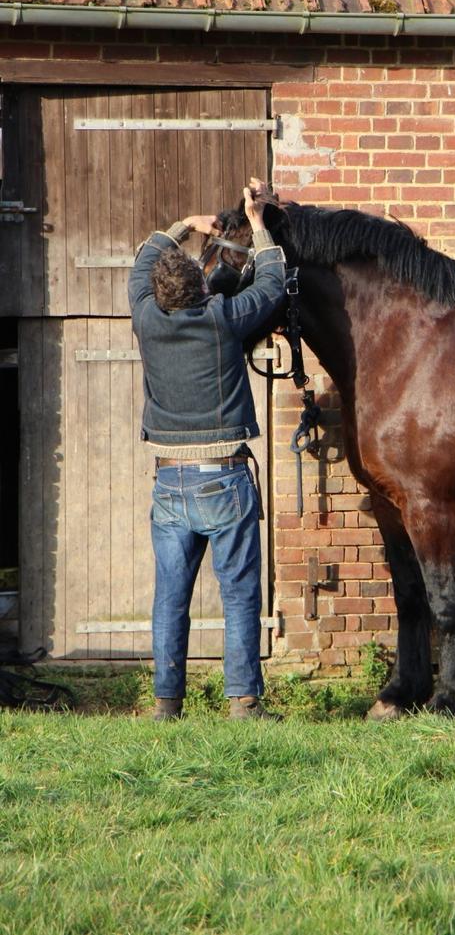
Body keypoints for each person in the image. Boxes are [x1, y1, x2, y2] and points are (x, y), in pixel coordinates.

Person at [128, 179, 286, 721]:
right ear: (199, 286)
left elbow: (141, 264)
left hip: (170, 481)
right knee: (240, 595)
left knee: (170, 597)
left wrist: (181, 228)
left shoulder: (146, 319)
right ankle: (243, 702)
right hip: (224, 476)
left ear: (156, 293)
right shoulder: (222, 318)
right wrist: (258, 224)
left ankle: (166, 703)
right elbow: (270, 286)